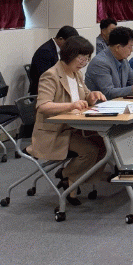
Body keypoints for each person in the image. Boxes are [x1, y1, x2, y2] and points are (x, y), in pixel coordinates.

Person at [31, 36, 106, 206]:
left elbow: (85, 95)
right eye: (81, 58)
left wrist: (92, 96)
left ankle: (72, 177)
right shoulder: (50, 75)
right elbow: (43, 106)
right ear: (69, 54)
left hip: (74, 127)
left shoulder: (76, 74)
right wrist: (71, 105)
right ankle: (70, 178)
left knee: (104, 144)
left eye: (87, 58)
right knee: (90, 150)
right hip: (54, 132)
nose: (84, 62)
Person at [29, 26, 79, 95]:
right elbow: (46, 77)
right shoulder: (45, 52)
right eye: (68, 44)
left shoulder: (59, 49)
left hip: (56, 86)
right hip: (44, 91)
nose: (70, 47)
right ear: (60, 39)